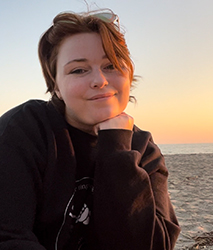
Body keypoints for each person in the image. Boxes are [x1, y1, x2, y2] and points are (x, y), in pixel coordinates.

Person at [0, 8, 180, 250]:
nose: (99, 80)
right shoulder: (24, 130)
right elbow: (8, 237)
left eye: (111, 66)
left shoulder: (143, 149)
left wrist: (116, 148)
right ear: (56, 87)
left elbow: (154, 245)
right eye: (78, 70)